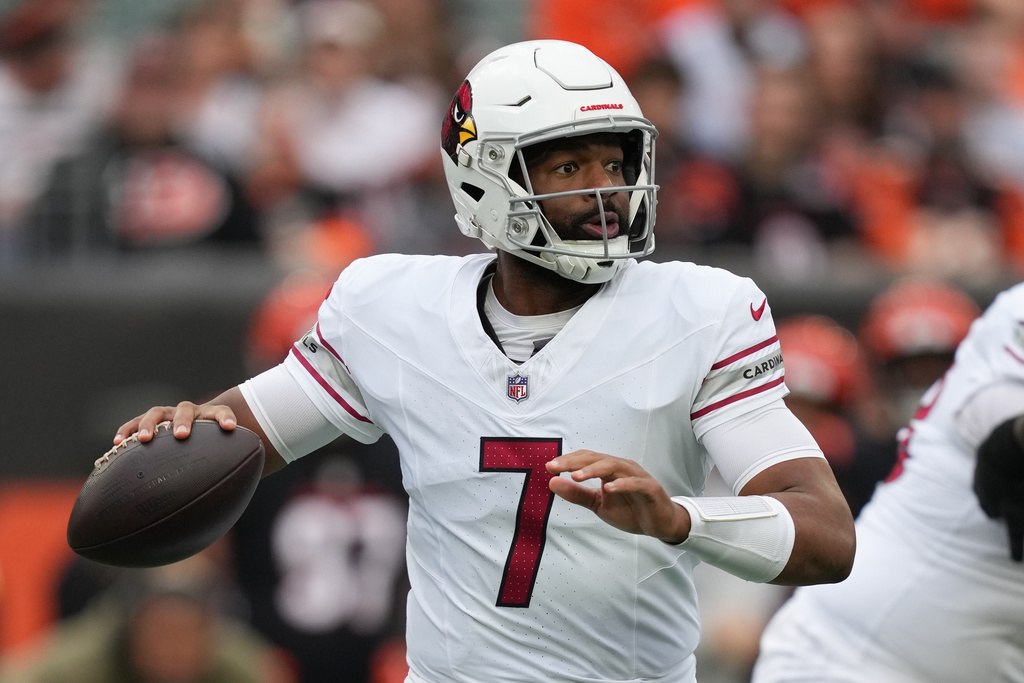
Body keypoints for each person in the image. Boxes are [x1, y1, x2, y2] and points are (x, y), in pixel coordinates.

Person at [111, 40, 855, 683]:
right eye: (569, 165)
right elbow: (241, 437)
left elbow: (826, 533)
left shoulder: (699, 312)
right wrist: (189, 434)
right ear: (484, 178)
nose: (606, 190)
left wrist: (677, 518)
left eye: (615, 160)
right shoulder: (391, 308)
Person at [752, 282, 1024, 683]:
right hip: (856, 661)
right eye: (908, 369)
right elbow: (999, 435)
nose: (919, 382)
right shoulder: (849, 459)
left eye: (933, 367)